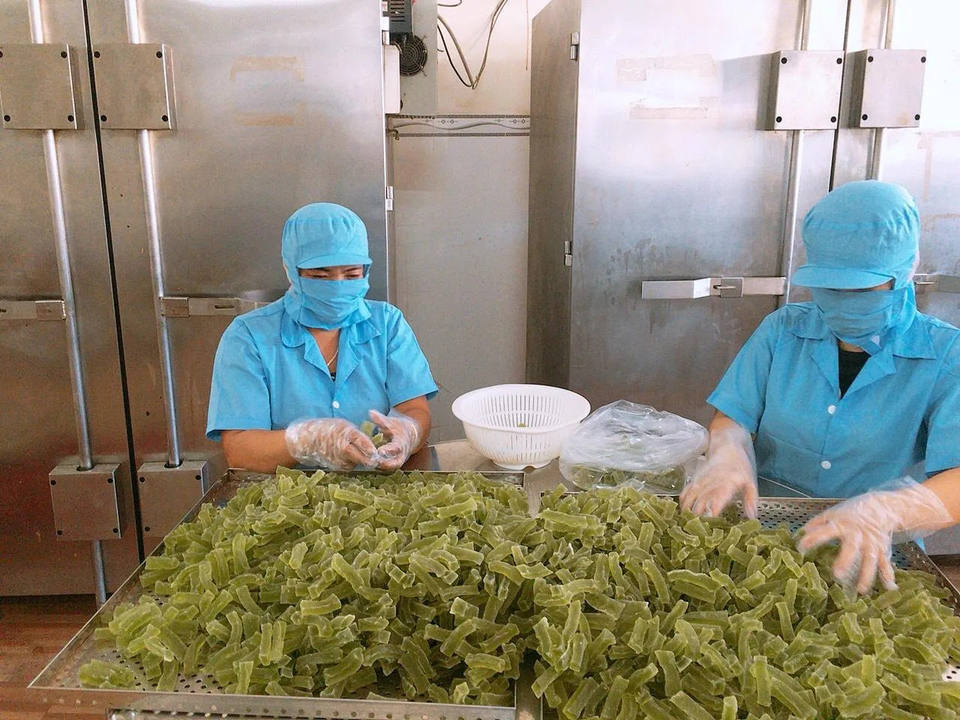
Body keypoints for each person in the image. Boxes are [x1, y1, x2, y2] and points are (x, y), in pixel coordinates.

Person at [679, 181, 960, 593]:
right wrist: (728, 453)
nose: (844, 300)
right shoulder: (782, 330)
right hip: (763, 542)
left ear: (904, 273)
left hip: (869, 555)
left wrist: (884, 511)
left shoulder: (946, 356)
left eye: (862, 288)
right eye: (830, 287)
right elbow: (734, 415)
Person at [206, 202, 438, 473]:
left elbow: (414, 409)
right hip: (285, 495)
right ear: (290, 269)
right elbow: (240, 450)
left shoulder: (387, 323)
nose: (337, 286)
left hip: (381, 488)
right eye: (319, 276)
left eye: (352, 274)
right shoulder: (249, 337)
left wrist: (408, 433)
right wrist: (306, 441)